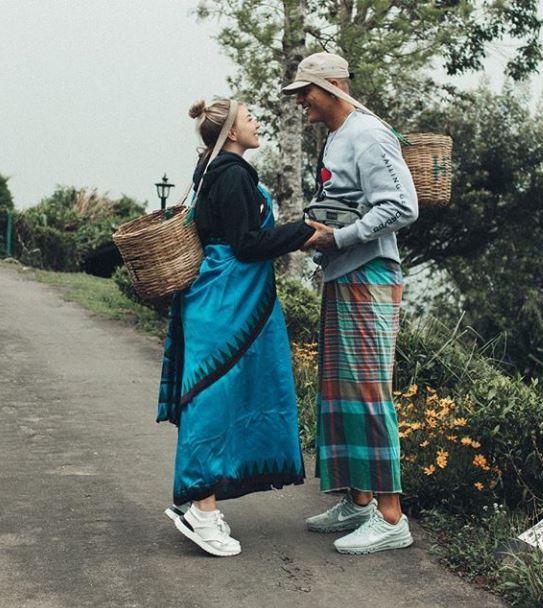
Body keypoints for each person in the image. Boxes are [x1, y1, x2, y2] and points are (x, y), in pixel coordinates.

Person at [156, 98, 316, 557]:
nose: (257, 122)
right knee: (211, 398)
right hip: (225, 299)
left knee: (217, 396)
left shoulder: (213, 170)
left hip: (221, 297)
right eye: (250, 119)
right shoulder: (231, 175)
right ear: (230, 132)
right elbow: (246, 245)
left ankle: (203, 503)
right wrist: (304, 231)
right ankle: (200, 511)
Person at [282, 52, 419, 555]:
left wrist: (339, 238)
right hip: (342, 274)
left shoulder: (368, 133)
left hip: (368, 274)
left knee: (367, 391)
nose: (301, 102)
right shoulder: (338, 138)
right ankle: (357, 500)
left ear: (334, 85)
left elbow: (403, 205)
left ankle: (390, 516)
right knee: (339, 390)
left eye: (307, 92)